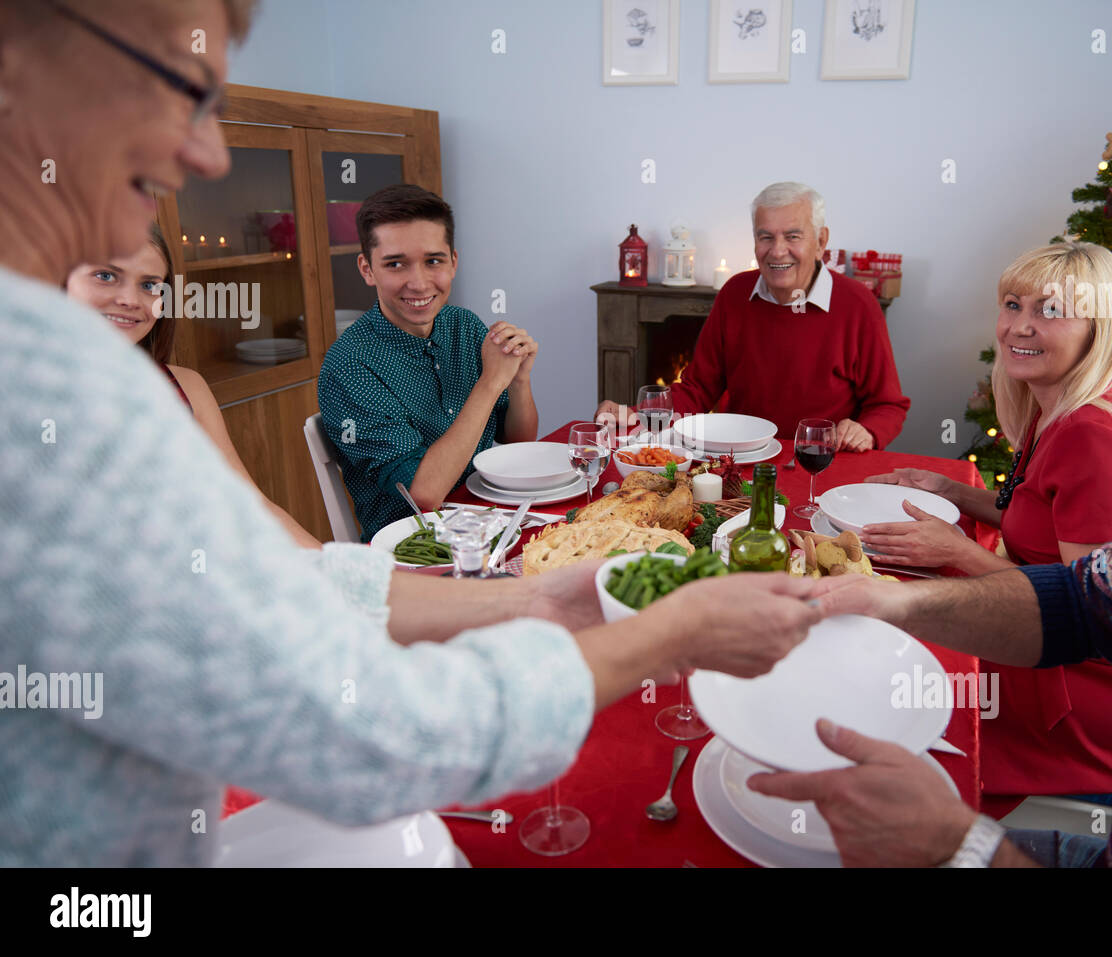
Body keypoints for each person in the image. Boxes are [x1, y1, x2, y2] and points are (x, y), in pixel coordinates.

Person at [0, 0, 828, 867]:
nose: (207, 152)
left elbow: (284, 568)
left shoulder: (101, 379)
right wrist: (669, 632)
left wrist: (531, 599)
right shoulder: (51, 415)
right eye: (175, 83)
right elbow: (366, 734)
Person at [749, 155, 1112, 867]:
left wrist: (963, 845)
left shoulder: (1108, 439)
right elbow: (1082, 600)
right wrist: (887, 600)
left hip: (1088, 735)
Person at [855, 242, 1112, 810]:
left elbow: (1092, 617)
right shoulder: (1059, 405)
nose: (1019, 327)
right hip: (1050, 630)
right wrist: (953, 492)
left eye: (1050, 310)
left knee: (890, 674)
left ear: (1098, 328)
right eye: (1012, 304)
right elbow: (1040, 520)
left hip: (1092, 686)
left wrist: (959, 552)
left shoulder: (1099, 438)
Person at [594, 182, 910, 451]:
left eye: (793, 236)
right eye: (766, 237)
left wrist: (867, 430)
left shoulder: (858, 304)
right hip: (744, 457)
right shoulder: (734, 294)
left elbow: (887, 404)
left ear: (821, 242)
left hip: (822, 461)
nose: (777, 250)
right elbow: (698, 389)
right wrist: (638, 413)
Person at [66, 225, 321, 548]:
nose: (130, 300)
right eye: (105, 276)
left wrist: (333, 571)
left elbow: (249, 508)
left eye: (149, 285)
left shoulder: (186, 387)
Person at [317, 183, 540, 541]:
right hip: (414, 550)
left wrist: (518, 382)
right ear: (367, 268)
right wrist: (489, 383)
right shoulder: (350, 367)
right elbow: (424, 494)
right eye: (395, 264)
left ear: (454, 262)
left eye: (433, 261)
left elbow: (517, 441)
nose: (419, 283)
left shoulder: (463, 326)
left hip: (489, 522)